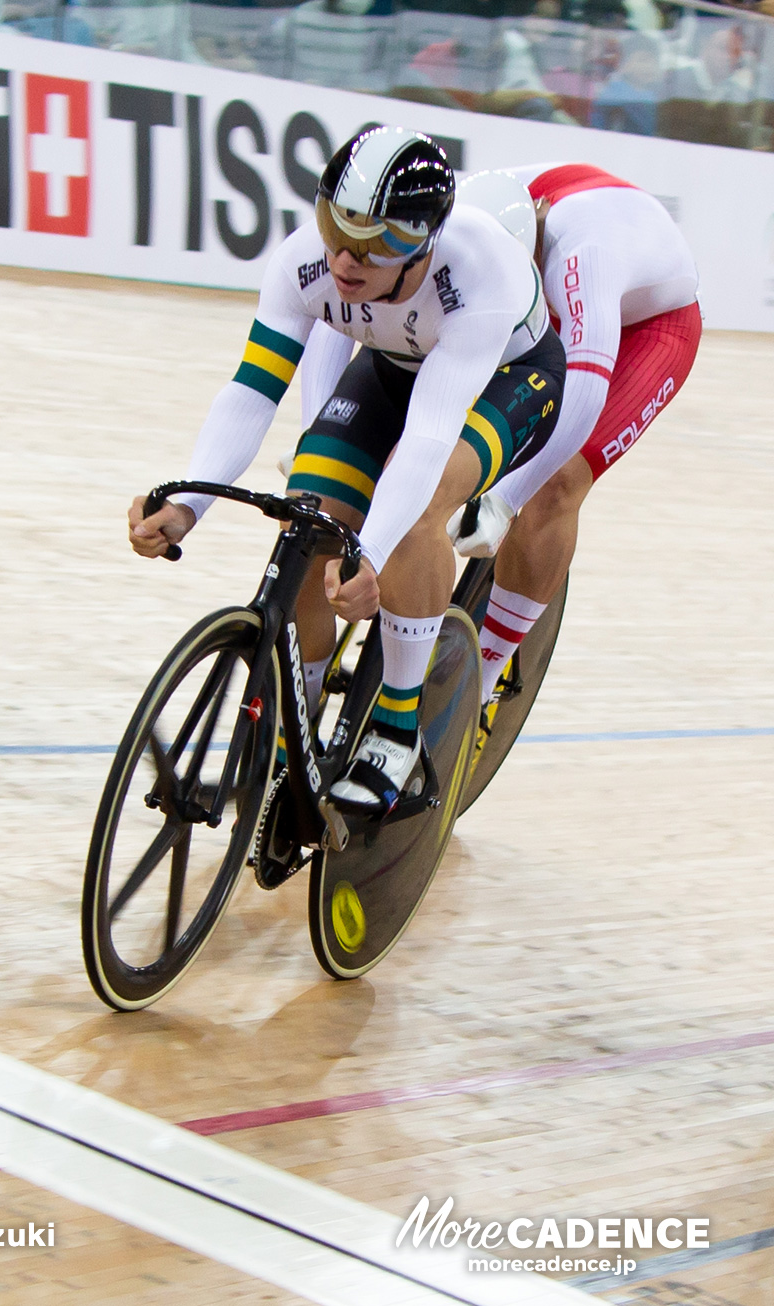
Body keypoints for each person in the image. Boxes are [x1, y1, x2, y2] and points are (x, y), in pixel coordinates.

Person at [127, 127, 564, 815]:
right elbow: (251, 390)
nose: (348, 260)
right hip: (393, 369)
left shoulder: (480, 274)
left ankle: (396, 725)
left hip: (508, 379)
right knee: (309, 515)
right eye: (336, 228)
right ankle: (296, 718)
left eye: (379, 244)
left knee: (418, 511)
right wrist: (187, 505)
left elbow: (425, 441)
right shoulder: (305, 262)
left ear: (423, 242)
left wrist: (373, 553)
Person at [450, 165, 701, 710]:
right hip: (551, 298)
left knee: (555, 482)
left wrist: (504, 497)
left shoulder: (584, 254)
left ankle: (486, 672)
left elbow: (584, 397)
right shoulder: (470, 202)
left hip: (649, 331)